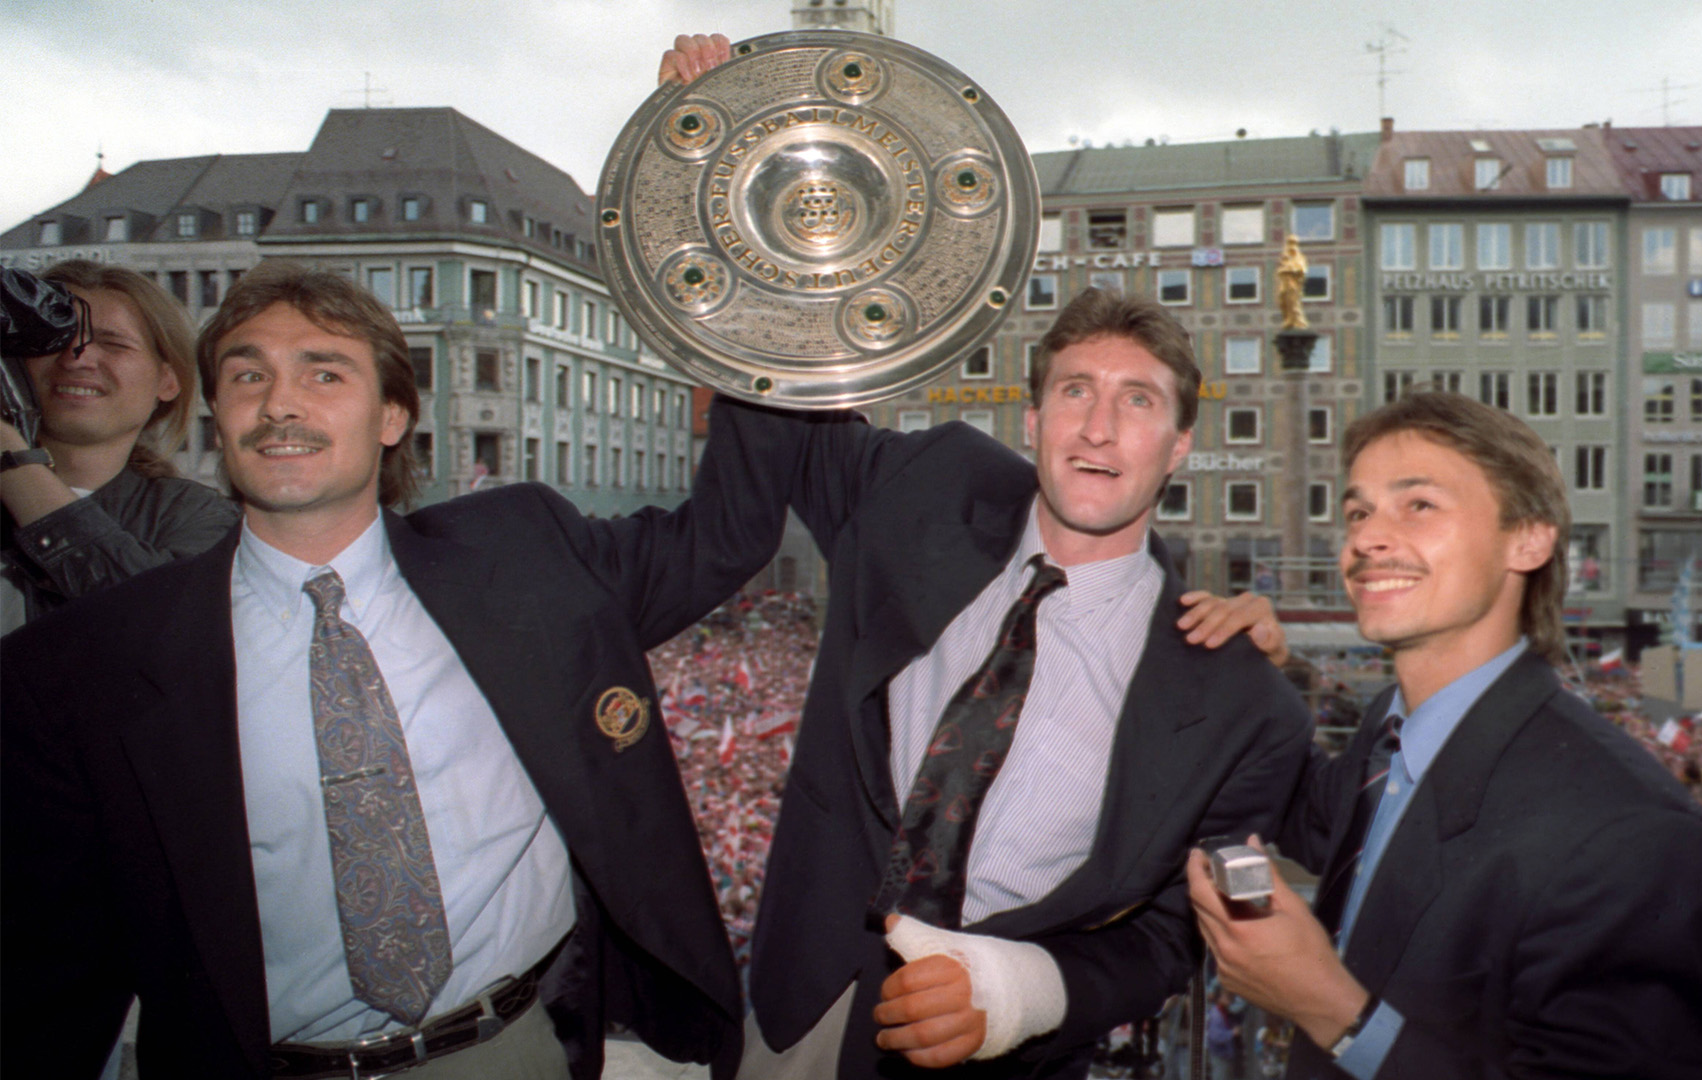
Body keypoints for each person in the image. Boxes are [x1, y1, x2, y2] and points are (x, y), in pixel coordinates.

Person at [668, 39, 1309, 1071]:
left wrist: (1024, 993)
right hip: (804, 997)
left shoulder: (1236, 695)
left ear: (1180, 443)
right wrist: (720, 157)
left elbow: (1173, 934)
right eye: (1074, 392)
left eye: (1136, 402)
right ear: (1035, 414)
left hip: (998, 1049)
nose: (1098, 428)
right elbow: (787, 377)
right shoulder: (923, 494)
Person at [1, 262, 807, 1079]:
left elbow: (726, 534)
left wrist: (764, 301)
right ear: (217, 412)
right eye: (249, 374)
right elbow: (51, 964)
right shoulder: (96, 658)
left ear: (393, 415)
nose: (280, 401)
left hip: (509, 1050)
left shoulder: (525, 558)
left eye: (325, 372)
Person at [1186, 390, 1702, 1078]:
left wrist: (1332, 1010)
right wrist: (1255, 674)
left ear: (1529, 537)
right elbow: (1311, 811)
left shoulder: (1637, 840)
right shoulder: (1388, 736)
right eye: (1358, 511)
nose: (1366, 538)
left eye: (1417, 504)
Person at [0, 259, 238, 632]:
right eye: (58, 340)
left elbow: (155, 617)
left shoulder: (199, 517)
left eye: (113, 344)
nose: (78, 359)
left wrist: (9, 455)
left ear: (168, 380)